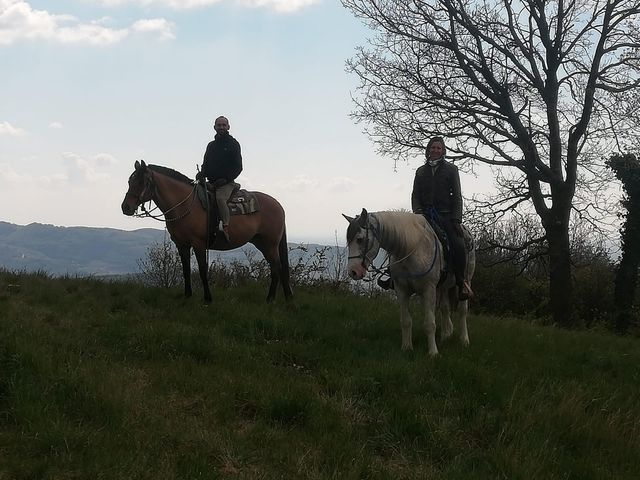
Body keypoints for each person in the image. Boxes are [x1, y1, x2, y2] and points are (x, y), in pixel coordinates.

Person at [411, 136, 473, 300]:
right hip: (423, 216)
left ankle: (461, 282)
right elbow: (415, 195)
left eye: (438, 148)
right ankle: (394, 277)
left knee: (458, 244)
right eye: (432, 147)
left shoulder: (451, 170)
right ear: (428, 150)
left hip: (445, 215)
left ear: (443, 151)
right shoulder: (420, 171)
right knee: (404, 239)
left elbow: (458, 196)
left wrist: (456, 219)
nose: (435, 150)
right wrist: (417, 211)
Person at [196, 115, 242, 241]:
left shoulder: (233, 144)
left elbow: (238, 167)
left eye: (223, 125)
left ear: (228, 127)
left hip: (227, 183)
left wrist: (226, 179)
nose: (221, 127)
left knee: (220, 199)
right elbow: (205, 164)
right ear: (214, 127)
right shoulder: (211, 146)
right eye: (219, 125)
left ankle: (225, 226)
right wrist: (201, 174)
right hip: (211, 182)